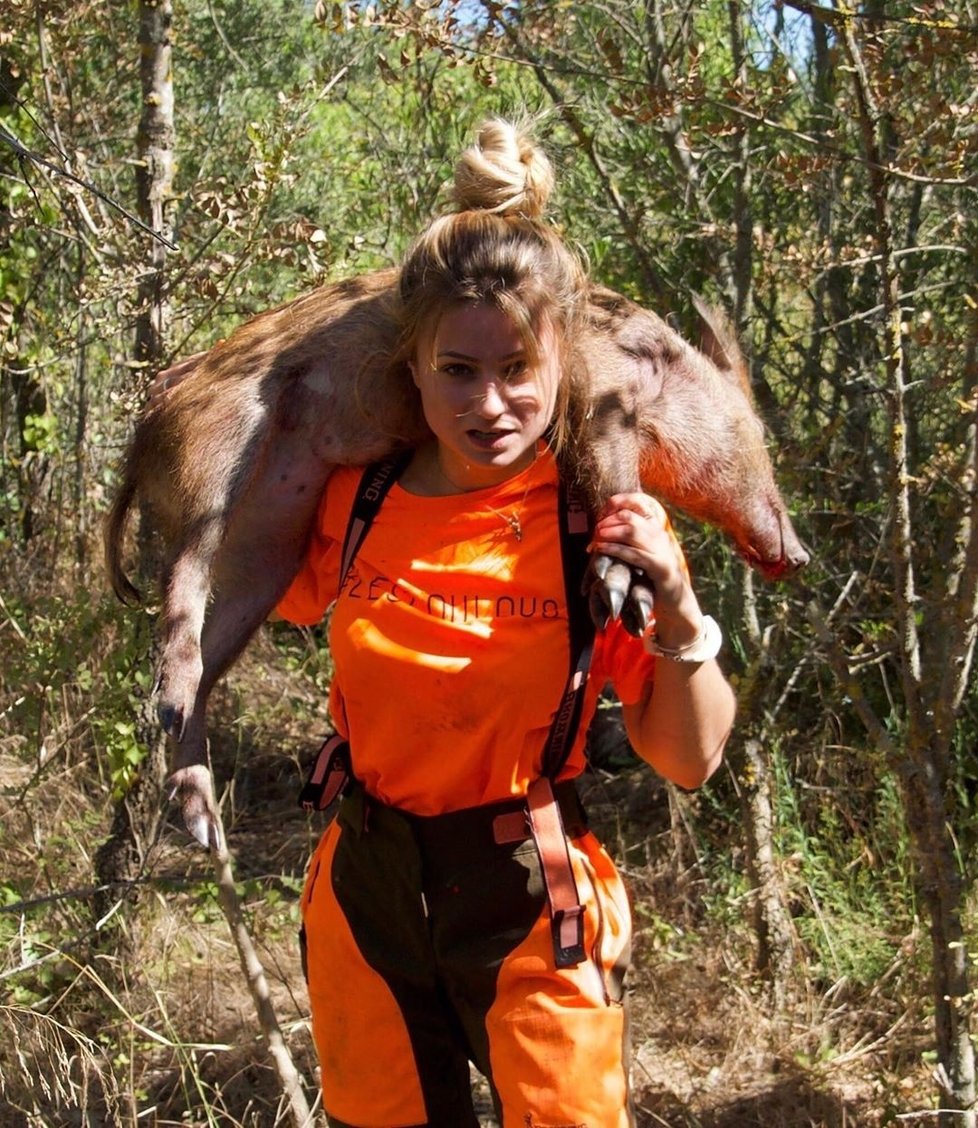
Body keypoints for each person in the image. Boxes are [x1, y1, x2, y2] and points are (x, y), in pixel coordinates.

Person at [276, 118, 736, 1128]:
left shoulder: (597, 524)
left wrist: (680, 606)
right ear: (412, 366)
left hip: (531, 898)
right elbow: (239, 571)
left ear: (563, 362)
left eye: (518, 367)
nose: (491, 403)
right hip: (367, 889)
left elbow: (689, 759)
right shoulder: (354, 503)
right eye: (457, 370)